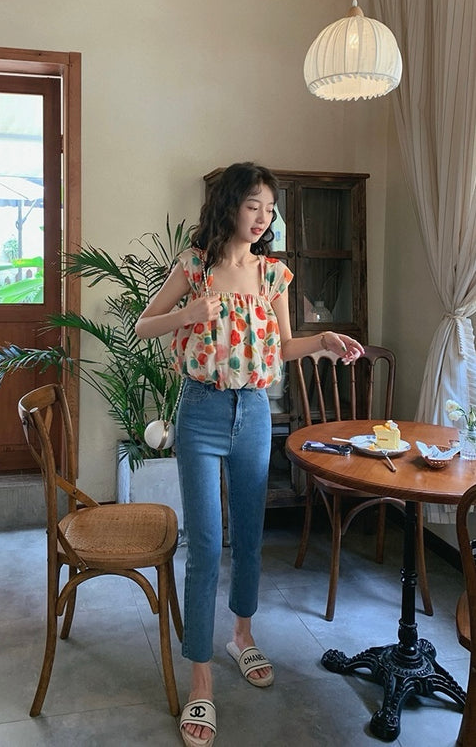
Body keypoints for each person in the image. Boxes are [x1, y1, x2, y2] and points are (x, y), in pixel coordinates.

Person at [135, 162, 364, 747]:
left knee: (249, 534)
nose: (263, 217)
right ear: (230, 205)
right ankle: (201, 676)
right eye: (253, 205)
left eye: (270, 208)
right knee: (206, 544)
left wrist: (323, 341)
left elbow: (282, 346)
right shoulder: (194, 267)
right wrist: (187, 314)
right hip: (201, 410)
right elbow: (143, 326)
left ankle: (242, 635)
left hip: (255, 412)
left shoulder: (273, 274)